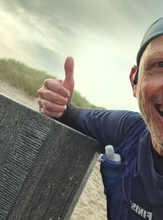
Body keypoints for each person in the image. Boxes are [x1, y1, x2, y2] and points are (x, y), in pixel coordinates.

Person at [37, 17, 163, 220]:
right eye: (161, 64)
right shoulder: (128, 130)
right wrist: (56, 102)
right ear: (135, 81)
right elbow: (70, 115)